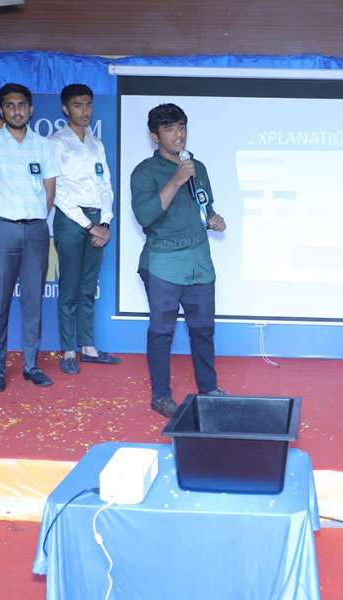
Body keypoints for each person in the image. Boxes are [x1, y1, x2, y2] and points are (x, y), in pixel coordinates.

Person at [130, 104, 227, 417]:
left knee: (203, 329)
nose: (179, 135)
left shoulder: (198, 167)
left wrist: (213, 218)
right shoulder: (144, 172)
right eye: (170, 129)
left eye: (182, 127)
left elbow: (204, 207)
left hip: (199, 260)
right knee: (162, 332)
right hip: (164, 262)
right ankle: (161, 397)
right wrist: (175, 180)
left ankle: (209, 389)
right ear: (154, 136)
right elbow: (145, 216)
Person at [0, 83, 58, 392]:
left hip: (36, 230)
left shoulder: (44, 146)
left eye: (22, 105)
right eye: (10, 105)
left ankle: (31, 366)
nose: (17, 111)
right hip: (1, 229)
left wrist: (34, 217)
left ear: (31, 109)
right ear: (1, 110)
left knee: (33, 301)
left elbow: (49, 192)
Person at [50, 84, 120, 374]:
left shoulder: (96, 143)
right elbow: (57, 191)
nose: (85, 111)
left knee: (89, 287)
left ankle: (88, 347)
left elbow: (105, 186)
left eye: (89, 104)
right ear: (65, 109)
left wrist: (105, 222)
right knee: (69, 287)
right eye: (78, 105)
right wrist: (89, 225)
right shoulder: (56, 143)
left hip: (96, 221)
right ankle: (68, 350)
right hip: (71, 220)